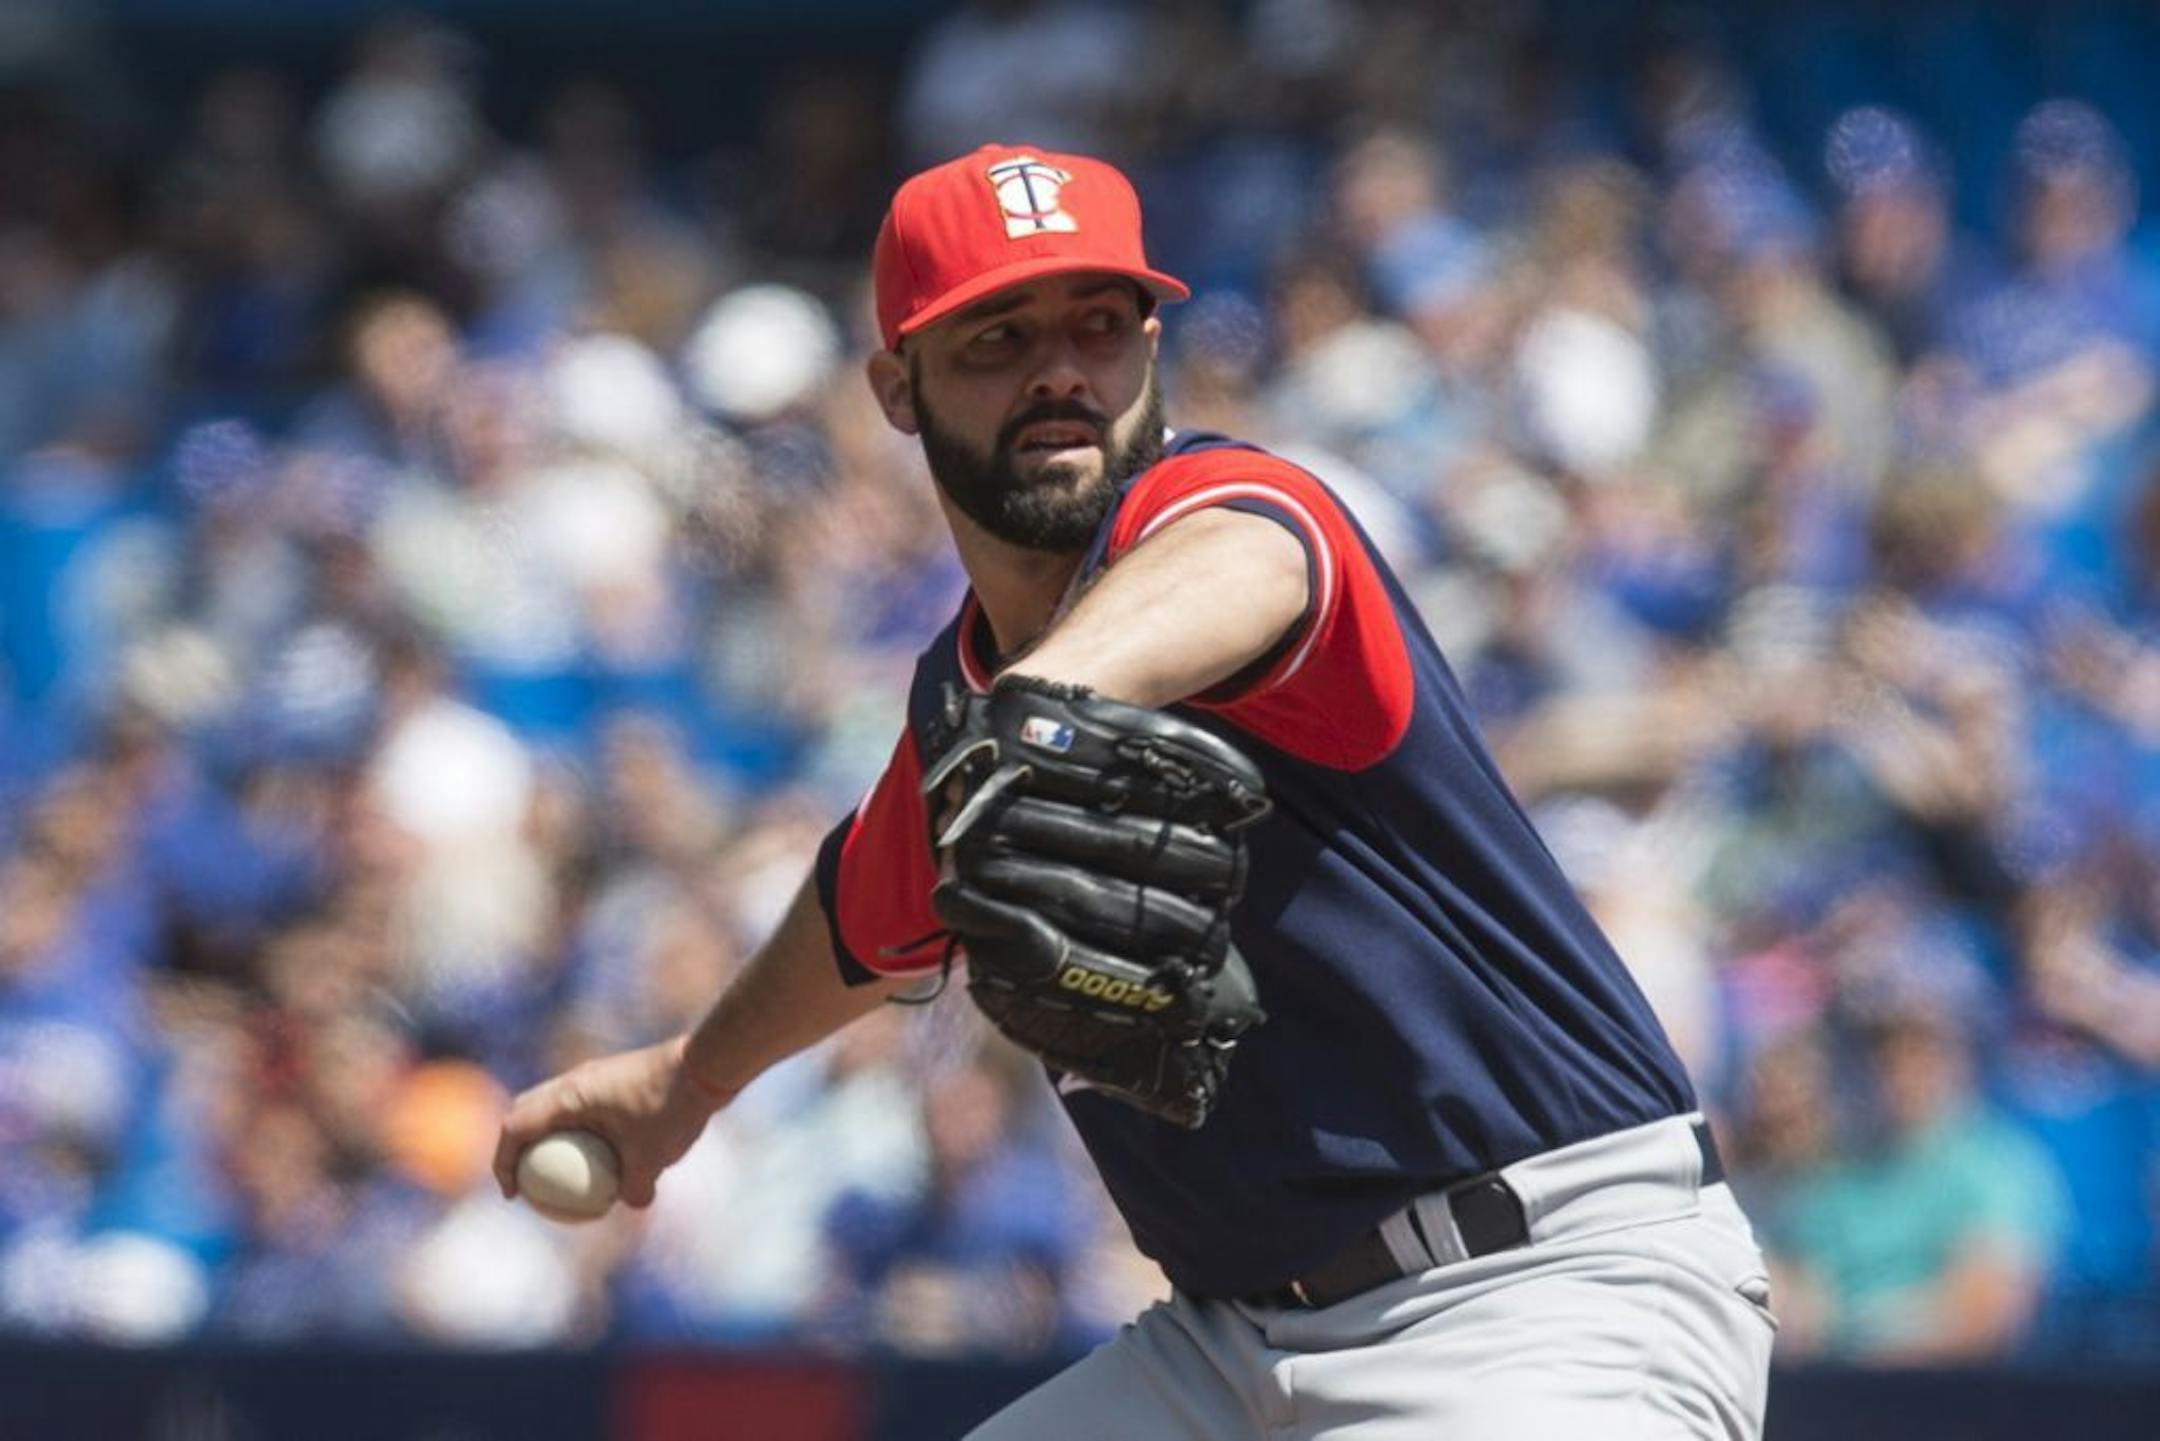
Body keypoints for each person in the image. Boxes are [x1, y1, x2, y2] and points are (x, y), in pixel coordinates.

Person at [495, 143, 1775, 1437]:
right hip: (1228, 1346)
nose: (1061, 369)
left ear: (1151, 351)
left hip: (1546, 1294)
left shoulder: (1230, 515)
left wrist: (1043, 715)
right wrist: (686, 1080)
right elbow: (859, 916)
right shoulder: (969, 707)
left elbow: (1255, 563)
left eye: (1100, 326)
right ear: (898, 386)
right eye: (998, 337)